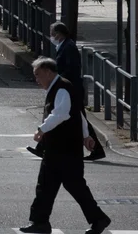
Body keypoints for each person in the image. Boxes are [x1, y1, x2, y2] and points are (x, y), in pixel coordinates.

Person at [18, 58, 110, 234]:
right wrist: (86, 136)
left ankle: (98, 219)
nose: (36, 80)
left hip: (64, 149)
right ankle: (40, 222)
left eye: (38, 75)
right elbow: (78, 114)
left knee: (70, 186)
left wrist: (41, 129)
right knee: (48, 185)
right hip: (61, 149)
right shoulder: (61, 87)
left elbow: (61, 114)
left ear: (48, 72)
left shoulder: (61, 88)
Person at [28, 23, 106, 161]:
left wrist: (57, 80)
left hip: (71, 90)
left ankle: (95, 149)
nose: (51, 37)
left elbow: (71, 69)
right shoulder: (65, 46)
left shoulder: (68, 47)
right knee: (71, 116)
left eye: (52, 33)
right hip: (70, 89)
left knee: (61, 114)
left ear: (58, 33)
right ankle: (43, 147)